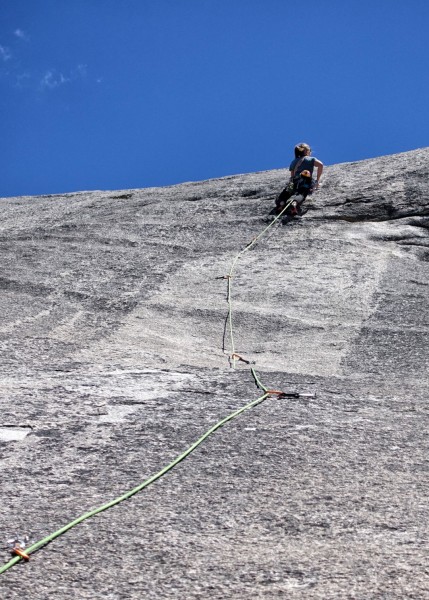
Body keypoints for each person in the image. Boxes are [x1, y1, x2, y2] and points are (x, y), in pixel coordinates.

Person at [275, 143, 324, 215]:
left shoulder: (294, 161)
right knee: (302, 193)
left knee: (287, 192)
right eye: (309, 150)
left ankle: (281, 203)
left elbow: (292, 175)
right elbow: (321, 165)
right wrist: (317, 180)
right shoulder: (310, 159)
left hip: (295, 180)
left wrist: (292, 182)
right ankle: (294, 203)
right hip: (306, 179)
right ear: (306, 151)